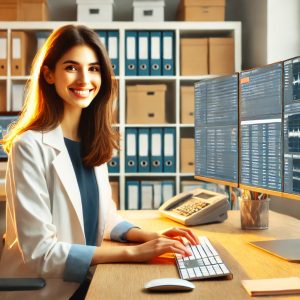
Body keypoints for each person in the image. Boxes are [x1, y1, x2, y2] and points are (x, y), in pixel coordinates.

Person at [0, 25, 199, 299]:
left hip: (88, 279)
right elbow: (40, 253)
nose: (85, 79)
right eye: (72, 67)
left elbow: (102, 218)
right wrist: (133, 253)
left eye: (93, 69)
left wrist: (149, 237)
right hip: (49, 289)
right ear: (48, 74)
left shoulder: (91, 139)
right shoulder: (30, 146)